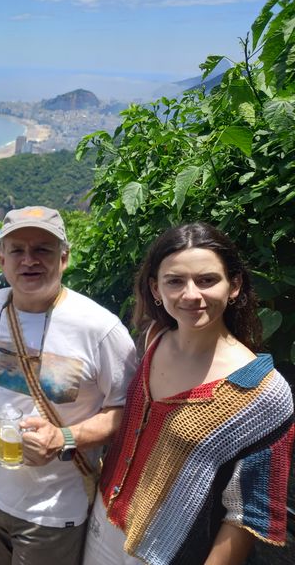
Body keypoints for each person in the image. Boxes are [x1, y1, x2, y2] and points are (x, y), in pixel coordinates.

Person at [83, 222, 295, 565]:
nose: (191, 294)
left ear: (235, 285)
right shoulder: (153, 338)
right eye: (175, 281)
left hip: (169, 551)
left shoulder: (262, 393)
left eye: (207, 280)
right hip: (104, 520)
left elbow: (248, 514)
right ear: (156, 288)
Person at [0, 206, 137, 564]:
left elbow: (128, 413)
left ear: (64, 258)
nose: (29, 260)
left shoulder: (98, 329)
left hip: (54, 510)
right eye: (17, 250)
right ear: (2, 259)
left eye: (43, 249)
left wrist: (64, 437)